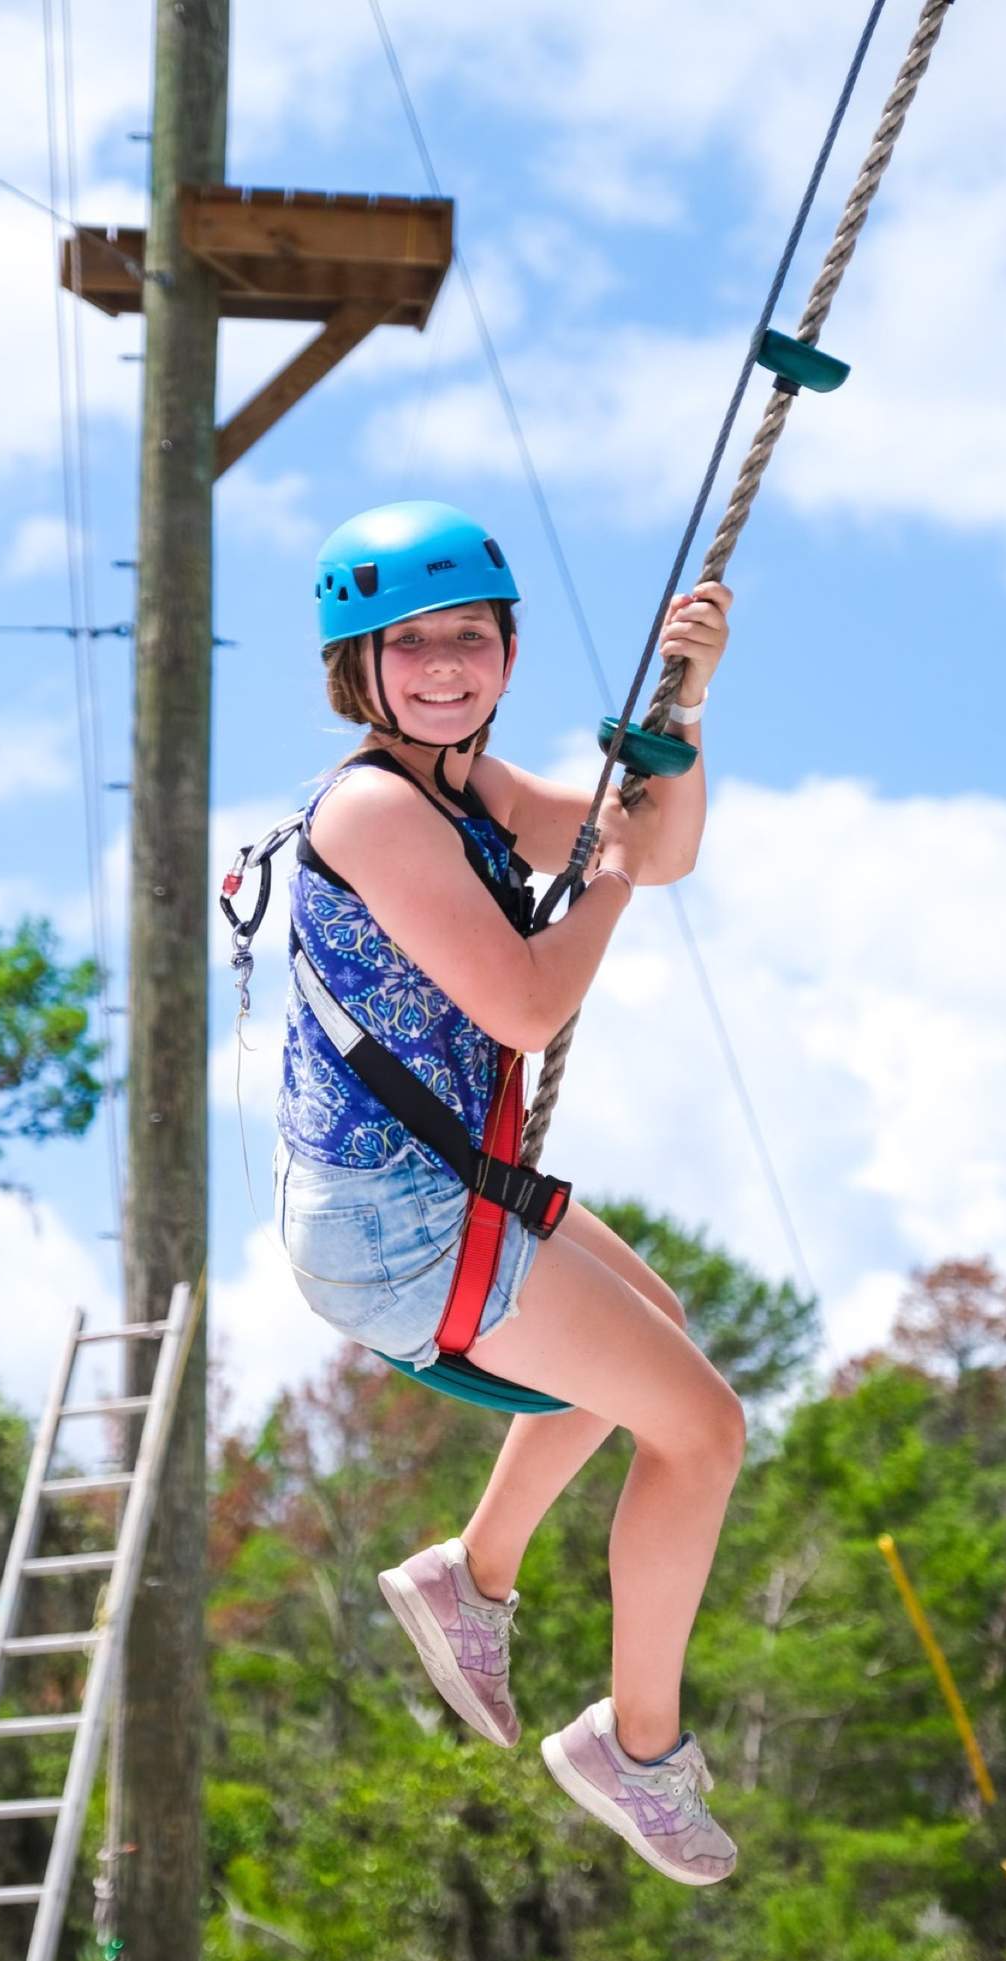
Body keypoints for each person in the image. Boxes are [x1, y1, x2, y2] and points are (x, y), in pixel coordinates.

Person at [273, 499, 744, 1887]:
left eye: (466, 638)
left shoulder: (462, 786)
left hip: (424, 1188)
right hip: (396, 1219)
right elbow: (533, 1003)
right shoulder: (373, 805)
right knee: (703, 1431)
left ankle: (471, 1576)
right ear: (354, 667)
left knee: (650, 1334)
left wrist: (689, 715)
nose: (439, 665)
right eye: (403, 643)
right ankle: (635, 1748)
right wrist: (596, 869)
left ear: (506, 648)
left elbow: (658, 850)